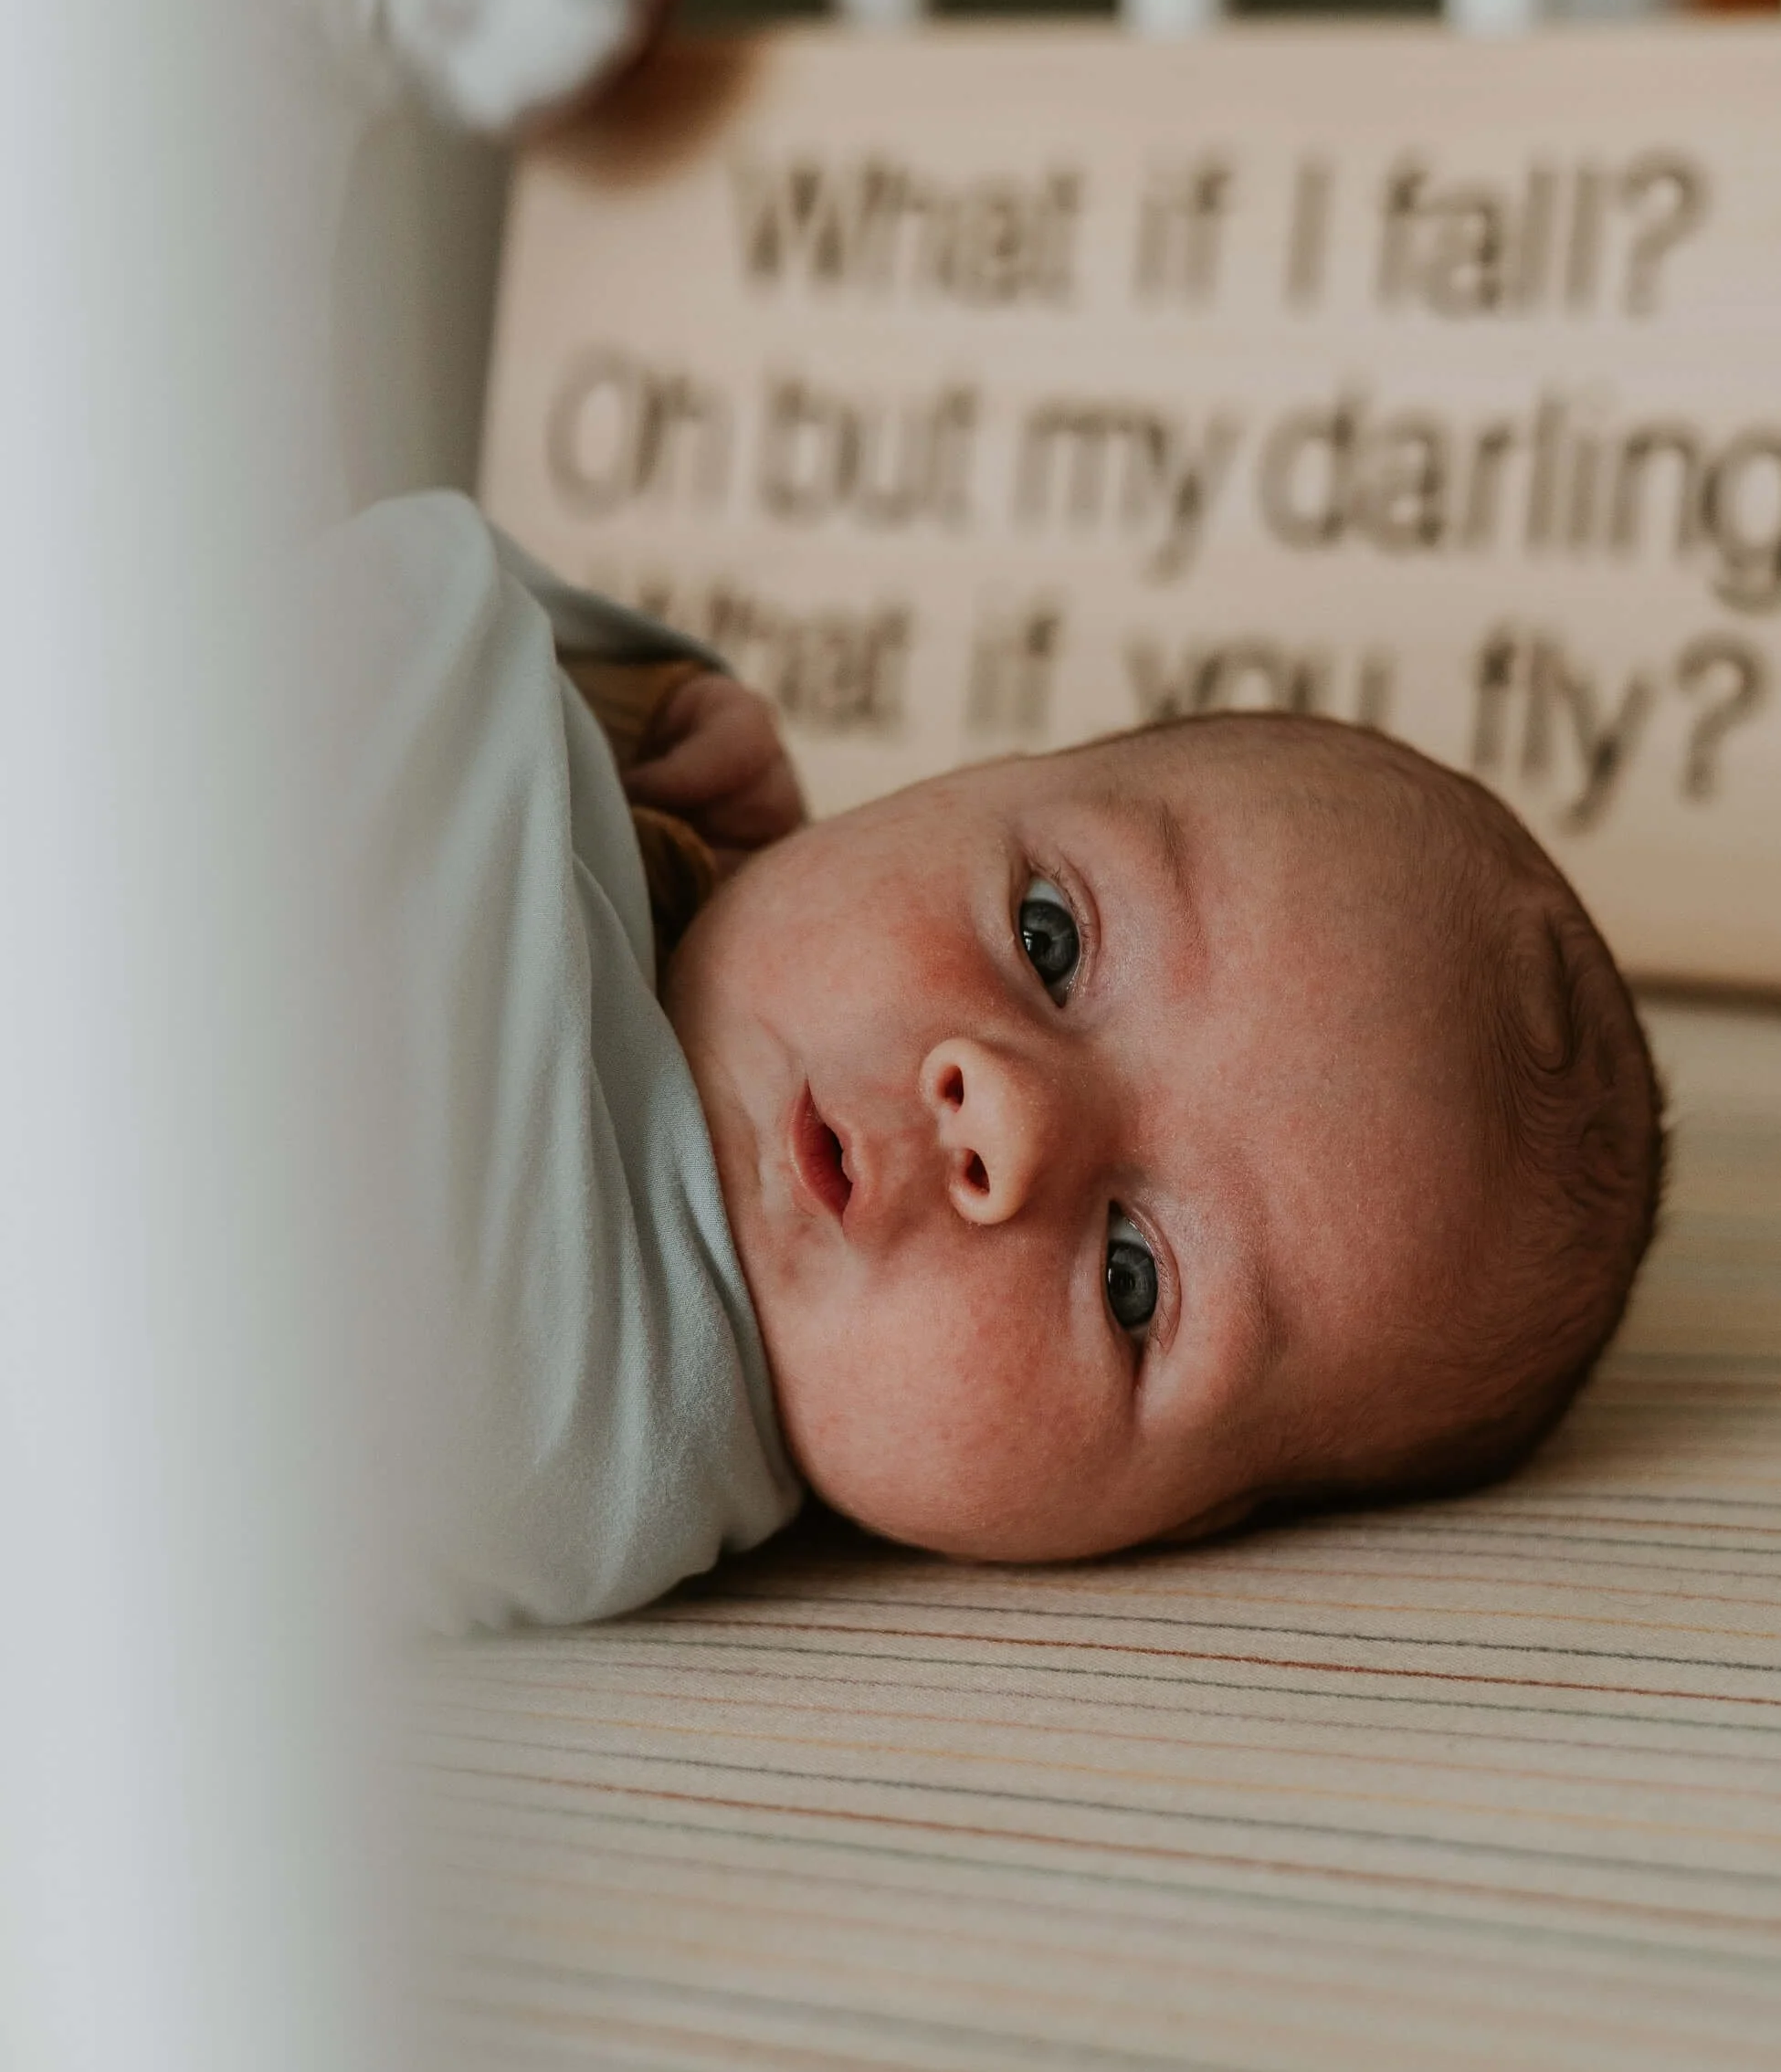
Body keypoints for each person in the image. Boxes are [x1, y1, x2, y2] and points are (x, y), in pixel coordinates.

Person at [317, 495, 1663, 1628]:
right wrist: (626, 736)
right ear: (960, 778)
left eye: (1134, 1281)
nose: (1003, 1116)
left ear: (1142, 1536)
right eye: (1049, 935)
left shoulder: (572, 1413)